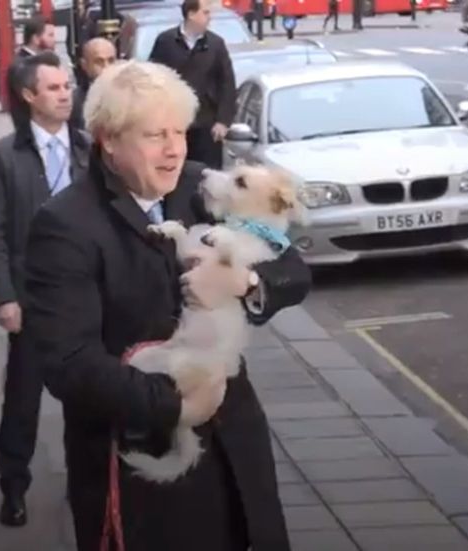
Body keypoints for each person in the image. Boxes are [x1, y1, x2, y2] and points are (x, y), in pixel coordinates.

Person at [22, 60, 310, 550]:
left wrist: (242, 280)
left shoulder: (200, 188)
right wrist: (177, 406)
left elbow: (295, 271)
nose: (175, 149)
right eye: (156, 135)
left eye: (179, 132)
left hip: (237, 451)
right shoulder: (64, 224)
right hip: (143, 467)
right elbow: (68, 363)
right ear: (109, 140)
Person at [0, 52, 90, 528]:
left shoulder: (88, 148)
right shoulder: (3, 156)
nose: (66, 94)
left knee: (89, 397)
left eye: (68, 86)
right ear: (28, 96)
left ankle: (86, 482)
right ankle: (14, 485)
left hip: (86, 297)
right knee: (23, 399)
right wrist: (4, 297)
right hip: (32, 298)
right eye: (54, 88)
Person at [149, 0, 236, 170]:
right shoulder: (166, 41)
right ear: (191, 14)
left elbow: (227, 83)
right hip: (174, 123)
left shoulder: (215, 44)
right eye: (205, 13)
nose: (210, 18)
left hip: (207, 124)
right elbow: (154, 79)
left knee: (207, 174)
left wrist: (223, 121)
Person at [70, 37, 116, 129]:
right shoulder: (74, 102)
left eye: (111, 61)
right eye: (99, 62)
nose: (106, 67)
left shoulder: (130, 94)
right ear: (84, 65)